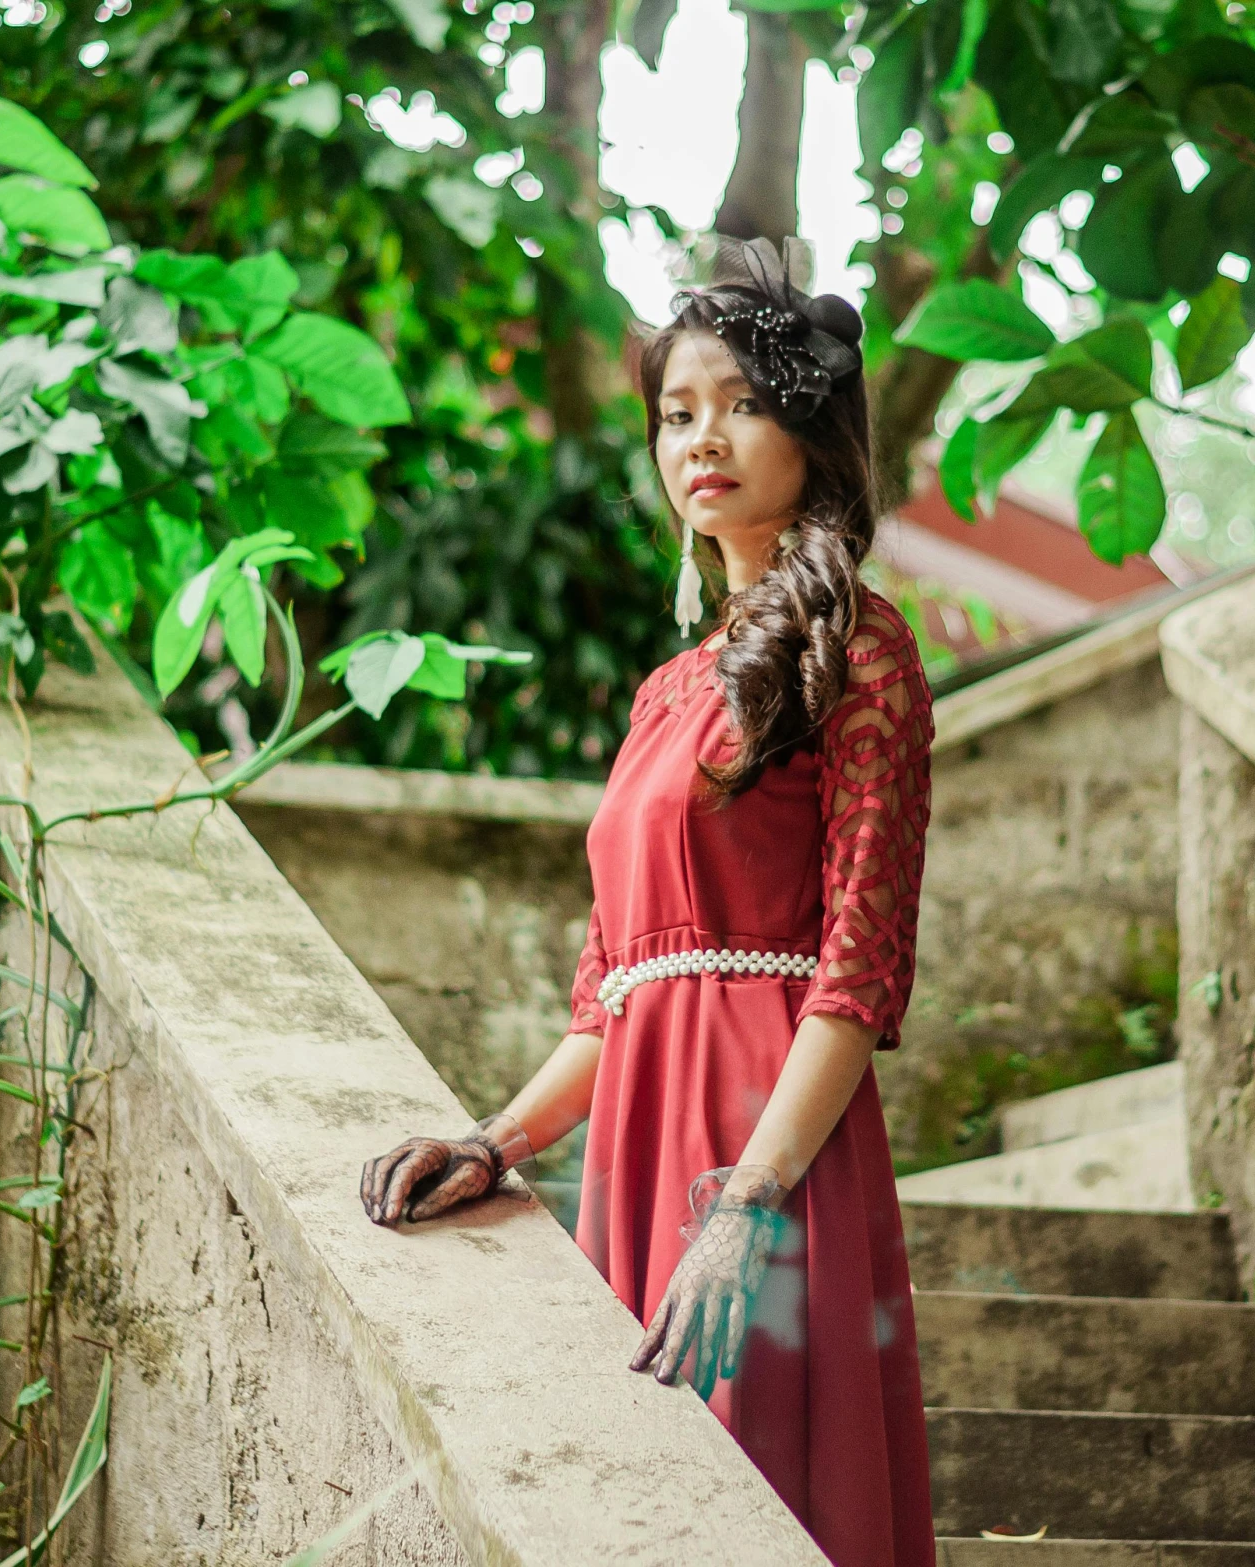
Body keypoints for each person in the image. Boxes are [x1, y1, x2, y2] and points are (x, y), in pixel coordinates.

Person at [359, 238, 936, 1567]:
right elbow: (607, 995)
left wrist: (746, 1204)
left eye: (737, 402)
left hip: (767, 1147)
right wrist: (494, 1144)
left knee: (757, 1505)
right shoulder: (663, 692)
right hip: (635, 1126)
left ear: (808, 426)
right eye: (676, 414)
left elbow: (857, 974)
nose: (701, 439)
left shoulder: (864, 652)